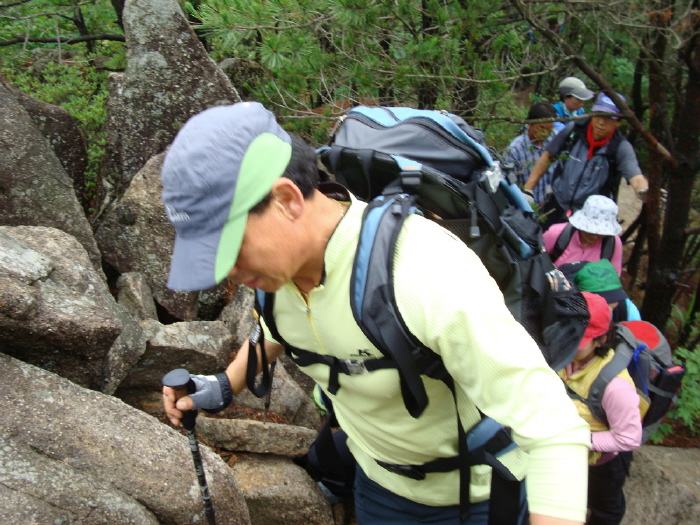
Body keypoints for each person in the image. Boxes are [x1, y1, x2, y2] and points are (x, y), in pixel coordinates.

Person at [160, 102, 590, 525]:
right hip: (378, 488)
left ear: (286, 200)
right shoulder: (278, 280)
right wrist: (224, 384)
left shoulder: (422, 270)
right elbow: (279, 329)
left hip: (470, 499)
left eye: (229, 245)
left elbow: (554, 430)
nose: (226, 272)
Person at [559, 292, 642, 525]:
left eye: (579, 341)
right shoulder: (560, 359)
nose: (569, 344)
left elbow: (629, 438)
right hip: (564, 456)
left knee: (605, 512)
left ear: (601, 340)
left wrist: (579, 439)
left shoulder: (615, 386)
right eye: (566, 335)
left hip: (600, 465)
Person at [525, 91, 649, 229]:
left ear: (618, 122)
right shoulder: (576, 130)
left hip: (589, 218)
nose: (601, 122)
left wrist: (644, 190)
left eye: (608, 118)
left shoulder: (620, 147)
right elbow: (548, 155)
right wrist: (528, 189)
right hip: (556, 203)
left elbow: (635, 176)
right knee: (541, 242)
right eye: (599, 115)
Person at [543, 195, 624, 274]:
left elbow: (613, 277)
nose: (595, 236)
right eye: (590, 231)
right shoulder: (556, 233)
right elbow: (537, 262)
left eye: (601, 233)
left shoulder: (612, 243)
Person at [504, 102, 558, 206]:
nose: (545, 133)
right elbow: (509, 186)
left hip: (552, 204)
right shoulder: (515, 150)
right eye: (541, 128)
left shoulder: (555, 139)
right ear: (529, 124)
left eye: (549, 129)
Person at [568, 259, 642, 323]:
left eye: (613, 306)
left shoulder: (626, 310)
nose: (609, 312)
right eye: (602, 305)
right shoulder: (566, 315)